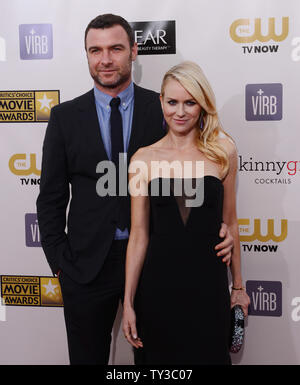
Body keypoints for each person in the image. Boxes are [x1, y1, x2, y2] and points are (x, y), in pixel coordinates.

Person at [36, 14, 234, 365]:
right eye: (95, 50)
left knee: (159, 358)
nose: (105, 59)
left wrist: (215, 226)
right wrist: (60, 264)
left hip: (155, 261)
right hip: (85, 266)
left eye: (115, 48)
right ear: (86, 55)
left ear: (134, 51)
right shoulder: (64, 117)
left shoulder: (163, 106)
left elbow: (199, 164)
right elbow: (50, 198)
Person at [123, 61, 250, 365]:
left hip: (207, 288)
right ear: (161, 102)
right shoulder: (144, 158)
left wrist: (238, 287)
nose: (180, 112)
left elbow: (230, 222)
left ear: (203, 104)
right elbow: (138, 235)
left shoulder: (223, 151)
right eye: (172, 102)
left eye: (190, 102)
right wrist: (128, 302)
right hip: (157, 290)